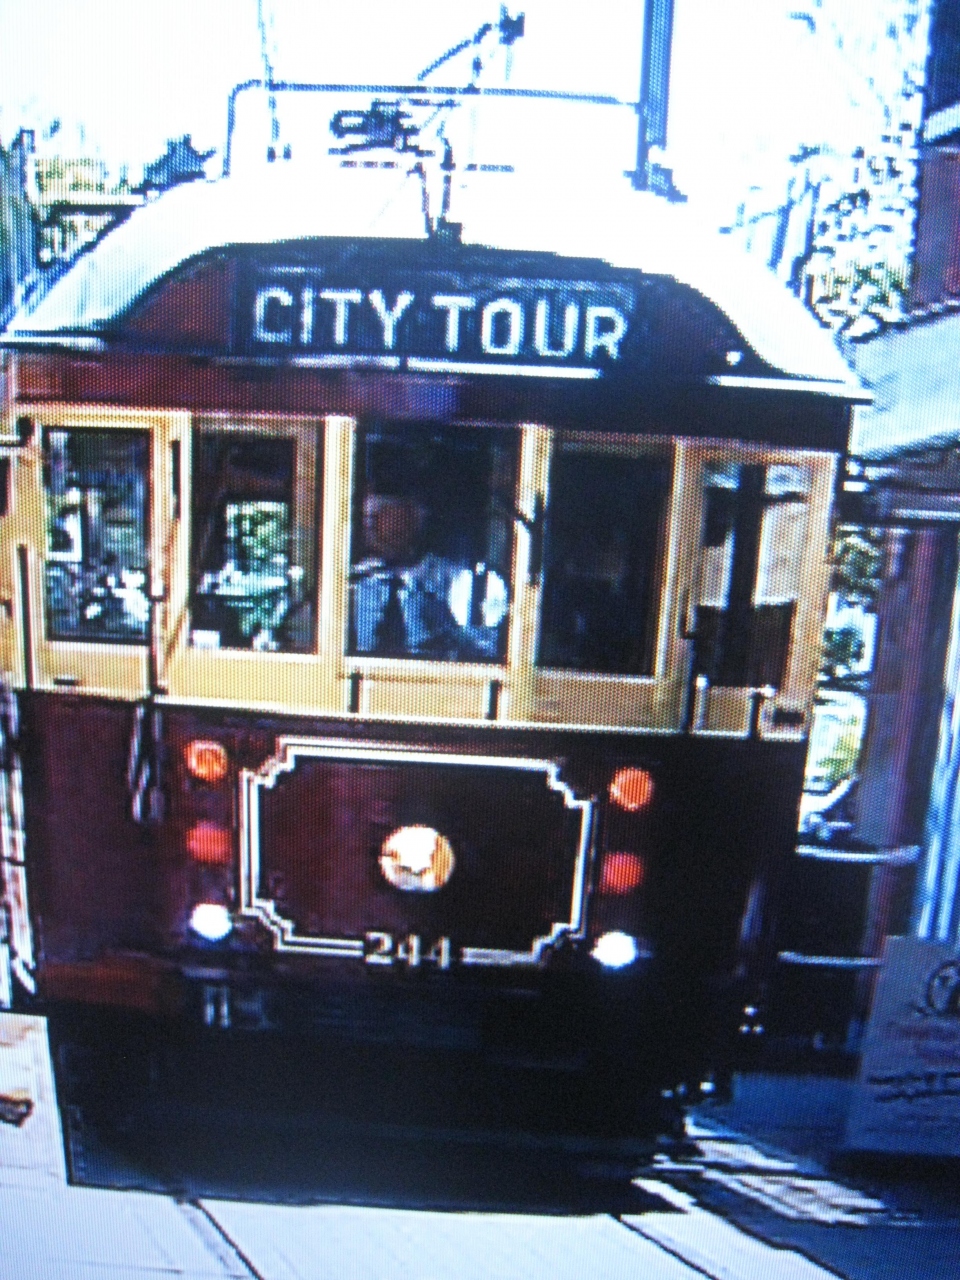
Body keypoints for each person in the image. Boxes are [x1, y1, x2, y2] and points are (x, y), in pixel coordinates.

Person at [350, 492, 507, 661]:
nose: (369, 526)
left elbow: (486, 651)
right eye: (366, 518)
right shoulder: (357, 582)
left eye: (377, 514)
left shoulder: (462, 581)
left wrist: (450, 636)